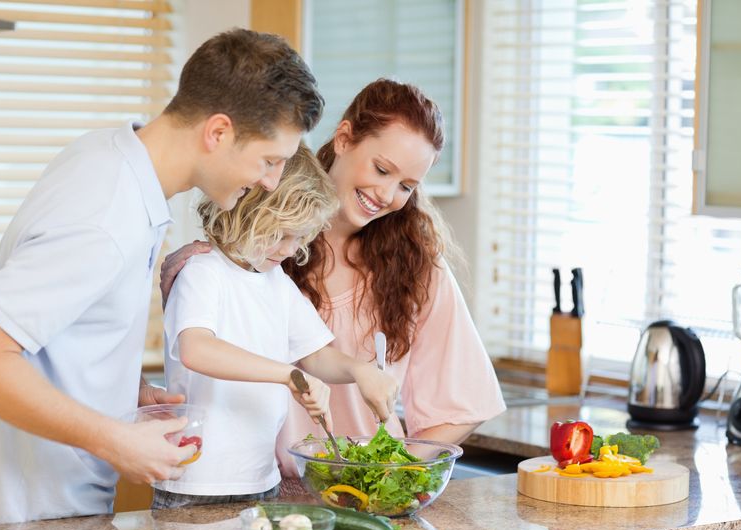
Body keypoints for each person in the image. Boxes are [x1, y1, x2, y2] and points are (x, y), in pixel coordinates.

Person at [0, 27, 323, 530]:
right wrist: (112, 438)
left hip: (41, 512)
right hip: (17, 524)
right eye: (270, 160)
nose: (273, 182)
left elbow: (58, 325)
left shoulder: (117, 159)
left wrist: (122, 387)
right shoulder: (108, 215)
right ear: (219, 131)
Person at [160, 79, 506, 482]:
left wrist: (384, 476)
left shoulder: (417, 268)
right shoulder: (262, 249)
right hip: (254, 485)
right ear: (344, 138)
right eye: (381, 169)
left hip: (362, 491)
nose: (386, 193)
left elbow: (464, 403)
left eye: (406, 186)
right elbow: (200, 347)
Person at [155, 144, 397, 509]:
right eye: (282, 233)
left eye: (300, 237)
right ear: (246, 211)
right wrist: (289, 376)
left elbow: (315, 355)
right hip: (196, 483)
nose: (290, 248)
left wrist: (360, 371)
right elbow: (197, 349)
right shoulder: (203, 272)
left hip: (261, 480)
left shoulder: (276, 282)